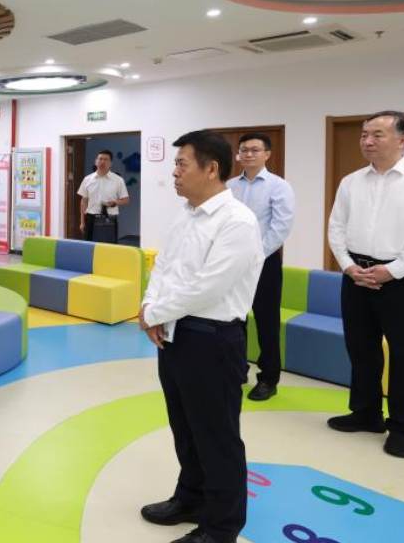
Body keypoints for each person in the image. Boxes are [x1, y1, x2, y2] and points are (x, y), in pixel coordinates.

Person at [138, 130, 263, 543]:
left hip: (213, 340)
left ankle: (221, 527)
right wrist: (150, 305)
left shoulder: (237, 221)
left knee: (216, 437)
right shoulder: (187, 214)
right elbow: (163, 267)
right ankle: (190, 498)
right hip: (175, 335)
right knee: (186, 428)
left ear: (211, 168)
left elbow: (207, 287)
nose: (174, 172)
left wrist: (153, 313)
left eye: (181, 164)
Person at [326, 111, 404, 458]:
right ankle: (366, 413)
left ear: (403, 139)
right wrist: (348, 266)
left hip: (403, 279)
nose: (367, 141)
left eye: (377, 135)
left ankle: (402, 428)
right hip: (356, 275)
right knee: (360, 348)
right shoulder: (351, 181)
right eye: (364, 134)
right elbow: (336, 226)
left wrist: (393, 270)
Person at [227, 133, 295, 401]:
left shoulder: (279, 186)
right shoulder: (229, 186)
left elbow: (281, 227)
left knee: (267, 322)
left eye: (255, 150)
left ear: (267, 154)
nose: (248, 154)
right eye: (244, 149)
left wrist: (256, 255)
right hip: (232, 261)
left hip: (264, 262)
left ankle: (268, 378)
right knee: (233, 317)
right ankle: (237, 369)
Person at [78, 149, 130, 242]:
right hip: (90, 218)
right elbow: (84, 201)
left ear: (110, 163)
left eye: (105, 159)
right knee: (89, 246)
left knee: (109, 247)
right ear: (96, 161)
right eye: (100, 159)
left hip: (109, 219)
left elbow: (126, 199)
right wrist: (82, 221)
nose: (102, 161)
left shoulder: (118, 180)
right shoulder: (87, 179)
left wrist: (114, 203)